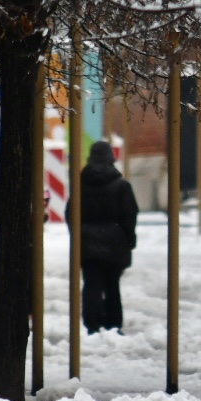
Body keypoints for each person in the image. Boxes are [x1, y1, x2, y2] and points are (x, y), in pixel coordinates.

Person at [67, 140, 138, 333]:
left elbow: (71, 214)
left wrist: (78, 236)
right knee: (112, 285)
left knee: (91, 284)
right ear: (111, 159)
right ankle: (113, 323)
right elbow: (129, 215)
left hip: (87, 243)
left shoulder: (80, 186)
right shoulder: (121, 186)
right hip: (115, 243)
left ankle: (92, 324)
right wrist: (129, 240)